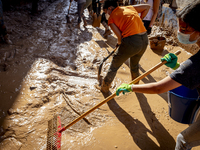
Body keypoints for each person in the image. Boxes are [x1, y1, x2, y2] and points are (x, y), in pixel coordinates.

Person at [116, 1, 200, 149]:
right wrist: (176, 66)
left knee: (183, 139)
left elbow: (158, 88)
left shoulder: (195, 64)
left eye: (184, 28)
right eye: (179, 26)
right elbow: (194, 76)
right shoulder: (193, 66)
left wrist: (131, 87)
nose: (180, 32)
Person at [100, 0, 150, 93]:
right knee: (134, 65)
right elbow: (147, 7)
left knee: (114, 65)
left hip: (132, 42)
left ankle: (104, 88)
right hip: (144, 39)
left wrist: (119, 43)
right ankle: (136, 87)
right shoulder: (128, 8)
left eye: (106, 12)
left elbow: (120, 37)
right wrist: (140, 19)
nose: (106, 14)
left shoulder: (111, 19)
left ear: (110, 8)